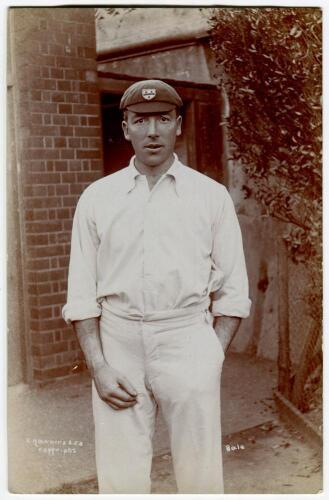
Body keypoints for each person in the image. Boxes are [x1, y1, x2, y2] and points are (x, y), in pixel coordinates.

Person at [62, 79, 251, 494]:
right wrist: (99, 365)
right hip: (119, 343)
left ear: (178, 124)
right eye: (140, 120)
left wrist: (210, 355)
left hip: (186, 337)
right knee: (120, 474)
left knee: (200, 472)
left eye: (162, 119)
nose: (152, 132)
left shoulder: (210, 196)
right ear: (125, 127)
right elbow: (80, 294)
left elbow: (234, 291)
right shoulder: (97, 198)